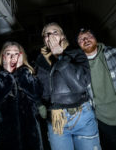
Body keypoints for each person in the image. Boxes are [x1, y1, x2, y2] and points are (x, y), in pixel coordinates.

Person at [34, 22, 101, 150]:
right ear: (44, 40)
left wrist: (60, 56)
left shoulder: (76, 53)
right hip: (56, 120)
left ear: (63, 36)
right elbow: (40, 90)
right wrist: (41, 105)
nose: (51, 36)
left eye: (55, 32)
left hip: (82, 116)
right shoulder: (39, 61)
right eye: (47, 34)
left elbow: (80, 85)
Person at [0, 41, 44, 150]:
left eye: (16, 54)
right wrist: (5, 75)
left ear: (21, 56)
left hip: (30, 138)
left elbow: (37, 94)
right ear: (3, 57)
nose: (13, 57)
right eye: (8, 53)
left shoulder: (29, 73)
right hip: (2, 140)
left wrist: (22, 72)